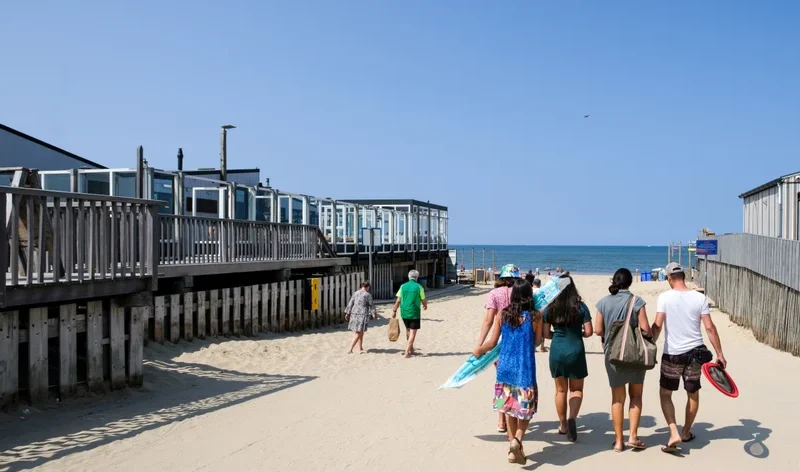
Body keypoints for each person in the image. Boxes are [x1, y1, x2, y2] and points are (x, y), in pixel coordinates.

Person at [651, 263, 726, 454]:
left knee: (666, 394)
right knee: (692, 393)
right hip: (696, 354)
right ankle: (685, 432)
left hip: (673, 354)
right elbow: (710, 327)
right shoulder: (699, 297)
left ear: (669, 278)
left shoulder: (664, 298)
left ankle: (674, 431)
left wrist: (650, 344)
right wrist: (719, 354)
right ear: (683, 276)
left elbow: (658, 325)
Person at [473, 279, 543, 465]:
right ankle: (517, 439)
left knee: (510, 409)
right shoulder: (535, 316)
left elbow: (492, 342)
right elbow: (537, 342)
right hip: (525, 369)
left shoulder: (502, 315)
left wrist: (479, 349)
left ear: (513, 296)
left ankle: (512, 450)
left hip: (505, 369)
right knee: (526, 410)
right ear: (529, 296)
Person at [594, 268, 652, 452]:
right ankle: (633, 436)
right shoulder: (637, 302)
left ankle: (619, 441)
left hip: (612, 355)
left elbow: (597, 330)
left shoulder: (602, 303)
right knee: (636, 395)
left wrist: (611, 337)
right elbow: (646, 330)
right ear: (630, 283)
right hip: (634, 355)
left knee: (617, 398)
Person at [542, 275, 593, 442]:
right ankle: (572, 418)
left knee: (560, 390)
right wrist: (578, 333)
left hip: (557, 350)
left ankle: (563, 425)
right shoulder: (581, 307)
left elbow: (544, 334)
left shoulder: (550, 308)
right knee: (576, 390)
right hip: (576, 349)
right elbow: (589, 331)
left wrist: (556, 334)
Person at [476, 264, 520, 433]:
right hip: (519, 342)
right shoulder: (522, 292)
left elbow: (488, 320)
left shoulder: (494, 293)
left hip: (499, 341)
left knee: (502, 381)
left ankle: (502, 419)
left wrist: (480, 344)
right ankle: (515, 414)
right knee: (517, 380)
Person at [392, 270, 428, 358]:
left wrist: (394, 311)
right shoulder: (419, 287)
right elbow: (423, 299)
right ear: (417, 277)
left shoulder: (403, 286)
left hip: (404, 312)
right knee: (413, 332)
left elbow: (398, 300)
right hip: (414, 312)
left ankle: (411, 349)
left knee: (408, 330)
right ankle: (407, 352)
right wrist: (425, 305)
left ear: (409, 277)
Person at [344, 281, 377, 354]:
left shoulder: (355, 293)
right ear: (367, 287)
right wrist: (374, 314)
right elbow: (371, 305)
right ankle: (350, 349)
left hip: (354, 314)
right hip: (362, 314)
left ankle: (360, 347)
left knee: (360, 331)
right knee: (359, 333)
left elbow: (350, 303)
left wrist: (347, 312)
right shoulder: (368, 295)